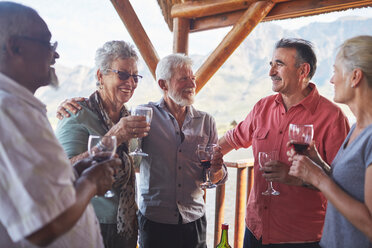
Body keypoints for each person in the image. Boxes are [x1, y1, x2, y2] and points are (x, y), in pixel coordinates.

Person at [56, 53, 228, 248]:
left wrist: (216, 170)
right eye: (184, 78)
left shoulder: (207, 121)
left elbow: (215, 176)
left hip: (193, 220)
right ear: (163, 85)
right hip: (153, 222)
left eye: (193, 78)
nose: (191, 83)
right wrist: (71, 104)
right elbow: (62, 170)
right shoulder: (143, 115)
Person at [0, 2, 120, 248]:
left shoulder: (17, 108)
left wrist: (74, 174)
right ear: (15, 47)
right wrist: (91, 182)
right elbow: (43, 227)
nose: (55, 54)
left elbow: (29, 190)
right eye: (47, 43)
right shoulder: (13, 111)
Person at [218, 38, 350, 247]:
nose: (271, 71)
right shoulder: (262, 107)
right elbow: (233, 138)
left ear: (303, 71)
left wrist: (295, 177)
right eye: (270, 64)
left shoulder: (332, 118)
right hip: (256, 231)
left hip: (302, 238)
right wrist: (204, 158)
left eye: (279, 64)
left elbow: (343, 185)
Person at [55, 40, 149, 248]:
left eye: (135, 77)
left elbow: (135, 164)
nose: (131, 83)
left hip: (125, 225)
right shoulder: (76, 116)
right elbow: (59, 175)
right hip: (89, 225)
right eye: (123, 74)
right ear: (100, 76)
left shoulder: (127, 117)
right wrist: (114, 136)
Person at [288, 35, 372, 247]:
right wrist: (316, 161)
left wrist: (317, 178)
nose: (332, 80)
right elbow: (347, 185)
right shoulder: (356, 128)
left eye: (335, 71)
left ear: (355, 77)